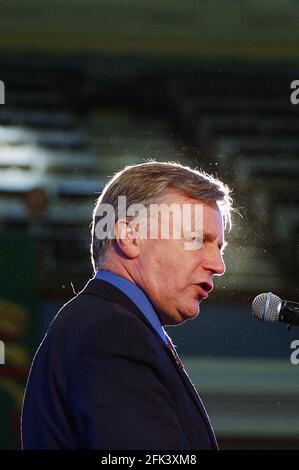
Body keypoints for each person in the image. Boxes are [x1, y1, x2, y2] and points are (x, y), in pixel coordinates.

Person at [21, 161, 233, 450]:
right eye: (197, 239)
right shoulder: (111, 333)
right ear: (130, 237)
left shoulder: (105, 323)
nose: (218, 265)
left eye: (219, 248)